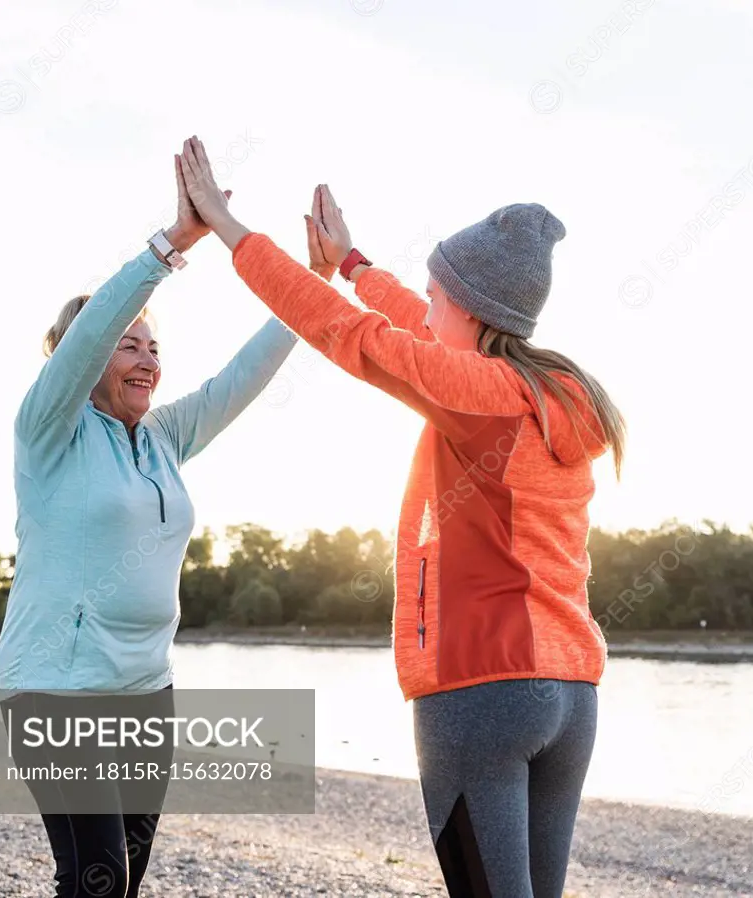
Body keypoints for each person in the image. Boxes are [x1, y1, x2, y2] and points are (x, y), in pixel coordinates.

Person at [179, 135, 625, 897]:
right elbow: (415, 332)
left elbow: (348, 336)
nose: (428, 304)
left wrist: (229, 229)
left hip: (481, 690)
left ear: (470, 307)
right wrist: (355, 265)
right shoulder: (557, 395)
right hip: (569, 697)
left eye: (437, 292)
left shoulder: (477, 395)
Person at [0, 155, 298, 898]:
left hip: (145, 691)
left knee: (122, 881)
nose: (147, 357)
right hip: (56, 692)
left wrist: (308, 285)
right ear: (87, 359)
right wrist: (173, 245)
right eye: (128, 344)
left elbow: (241, 377)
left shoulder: (162, 438)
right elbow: (91, 331)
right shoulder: (49, 433)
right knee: (98, 878)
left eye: (153, 346)